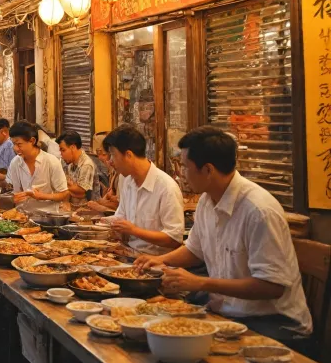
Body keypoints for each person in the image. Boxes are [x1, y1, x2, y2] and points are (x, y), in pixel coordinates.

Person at [136, 127, 312, 344]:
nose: (181, 173)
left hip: (274, 322)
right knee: (153, 324)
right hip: (227, 310)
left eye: (185, 167)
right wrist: (160, 260)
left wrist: (200, 283)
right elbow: (195, 250)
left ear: (208, 170)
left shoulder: (258, 211)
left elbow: (271, 286)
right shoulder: (207, 200)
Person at [104, 124, 184, 255]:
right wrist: (102, 223)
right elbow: (121, 217)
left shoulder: (166, 187)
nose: (110, 161)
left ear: (128, 155)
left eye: (113, 155)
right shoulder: (128, 182)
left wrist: (134, 231)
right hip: (129, 254)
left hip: (157, 262)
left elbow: (174, 239)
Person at [6, 121, 69, 215]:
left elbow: (64, 194)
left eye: (19, 144)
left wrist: (42, 196)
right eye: (13, 144)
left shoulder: (51, 161)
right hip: (23, 215)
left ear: (32, 141)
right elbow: (16, 193)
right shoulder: (15, 162)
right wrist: (15, 198)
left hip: (49, 215)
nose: (15, 148)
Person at [57, 131, 99, 208]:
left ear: (73, 147)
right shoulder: (70, 163)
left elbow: (81, 192)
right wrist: (70, 188)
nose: (61, 154)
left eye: (63, 150)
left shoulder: (86, 165)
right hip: (73, 207)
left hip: (87, 210)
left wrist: (64, 187)